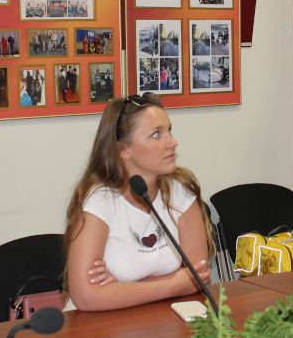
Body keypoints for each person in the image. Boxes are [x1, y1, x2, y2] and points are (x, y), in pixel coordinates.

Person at [64, 93, 212, 311]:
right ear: (124, 150)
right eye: (156, 134)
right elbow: (85, 297)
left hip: (156, 314)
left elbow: (197, 276)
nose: (172, 142)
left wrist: (119, 287)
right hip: (96, 323)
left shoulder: (180, 190)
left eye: (169, 131)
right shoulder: (100, 200)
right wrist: (173, 285)